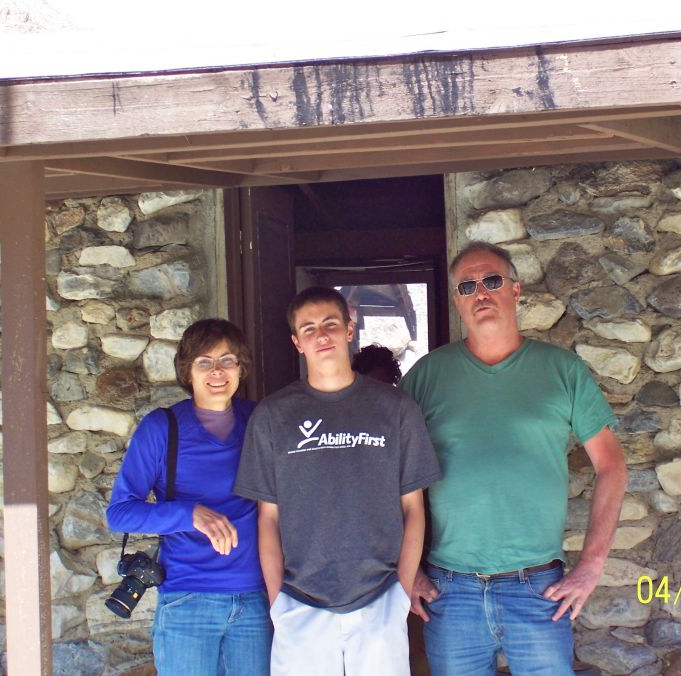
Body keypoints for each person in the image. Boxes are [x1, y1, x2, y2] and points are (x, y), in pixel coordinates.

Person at [400, 241, 628, 676]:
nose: (480, 293)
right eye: (467, 286)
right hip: (452, 588)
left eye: (491, 281)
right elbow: (388, 474)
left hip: (539, 586)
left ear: (516, 290)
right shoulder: (427, 376)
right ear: (456, 300)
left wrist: (592, 565)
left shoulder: (561, 371)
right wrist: (405, 568)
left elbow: (611, 465)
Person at [234, 286, 442, 676]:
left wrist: (400, 590)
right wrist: (280, 602)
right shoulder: (273, 416)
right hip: (300, 605)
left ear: (350, 329)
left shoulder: (395, 408)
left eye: (331, 323)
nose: (322, 335)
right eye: (309, 328)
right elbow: (268, 519)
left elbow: (413, 509)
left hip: (380, 599)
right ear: (297, 342)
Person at [106, 319, 272, 676]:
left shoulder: (259, 420)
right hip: (188, 601)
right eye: (204, 362)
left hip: (255, 600)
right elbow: (119, 513)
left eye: (227, 360)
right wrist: (190, 513)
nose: (217, 371)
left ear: (241, 368)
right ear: (188, 370)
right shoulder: (162, 427)